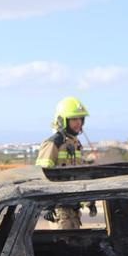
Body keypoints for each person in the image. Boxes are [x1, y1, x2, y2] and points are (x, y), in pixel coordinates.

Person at [36, 96, 88, 229]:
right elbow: (41, 175)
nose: (79, 123)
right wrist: (47, 206)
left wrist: (88, 201)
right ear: (62, 120)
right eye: (74, 119)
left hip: (74, 209)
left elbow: (80, 175)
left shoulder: (76, 144)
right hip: (59, 210)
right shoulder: (54, 143)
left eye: (80, 119)